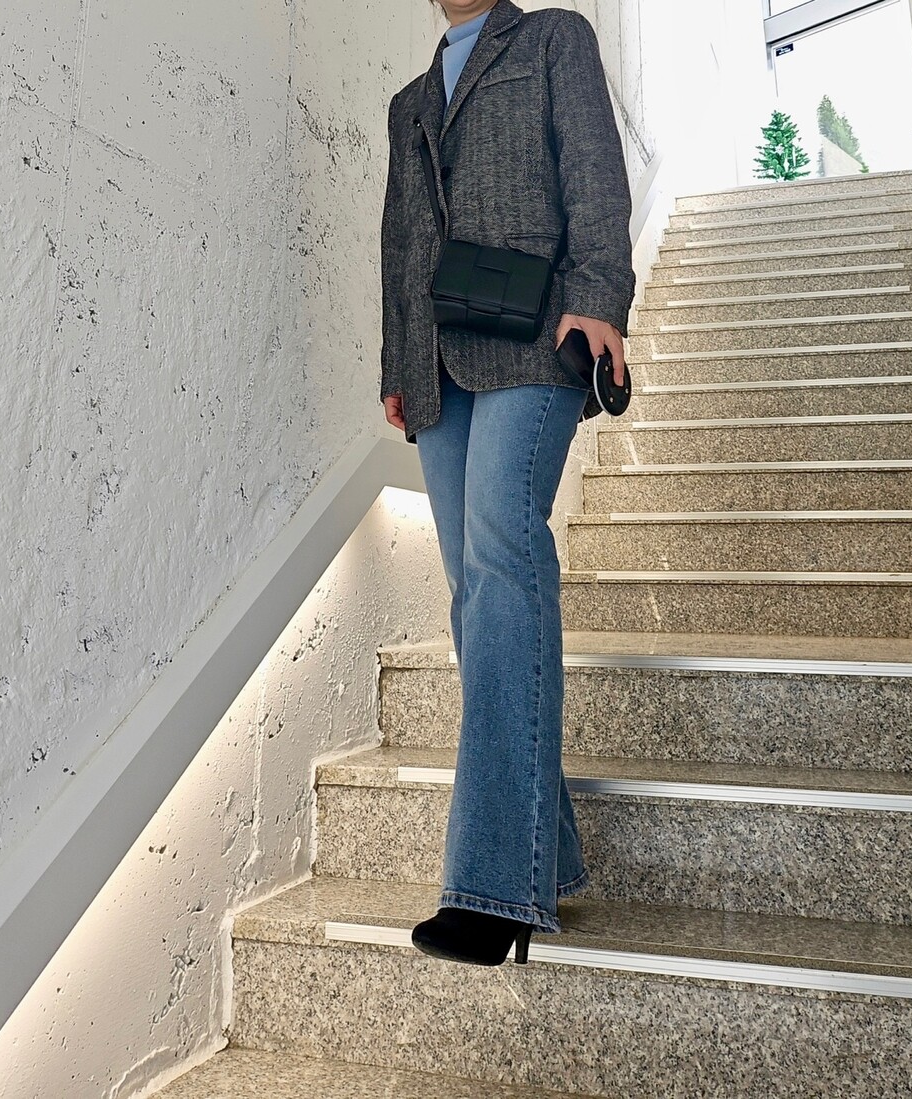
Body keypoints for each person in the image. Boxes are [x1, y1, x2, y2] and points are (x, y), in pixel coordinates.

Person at [379, 0, 635, 966]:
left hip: (537, 339)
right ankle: (546, 849)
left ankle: (491, 886)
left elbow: (594, 171)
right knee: (473, 594)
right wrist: (398, 365)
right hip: (439, 366)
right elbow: (403, 243)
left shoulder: (555, 38)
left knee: (500, 553)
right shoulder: (410, 102)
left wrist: (600, 295)